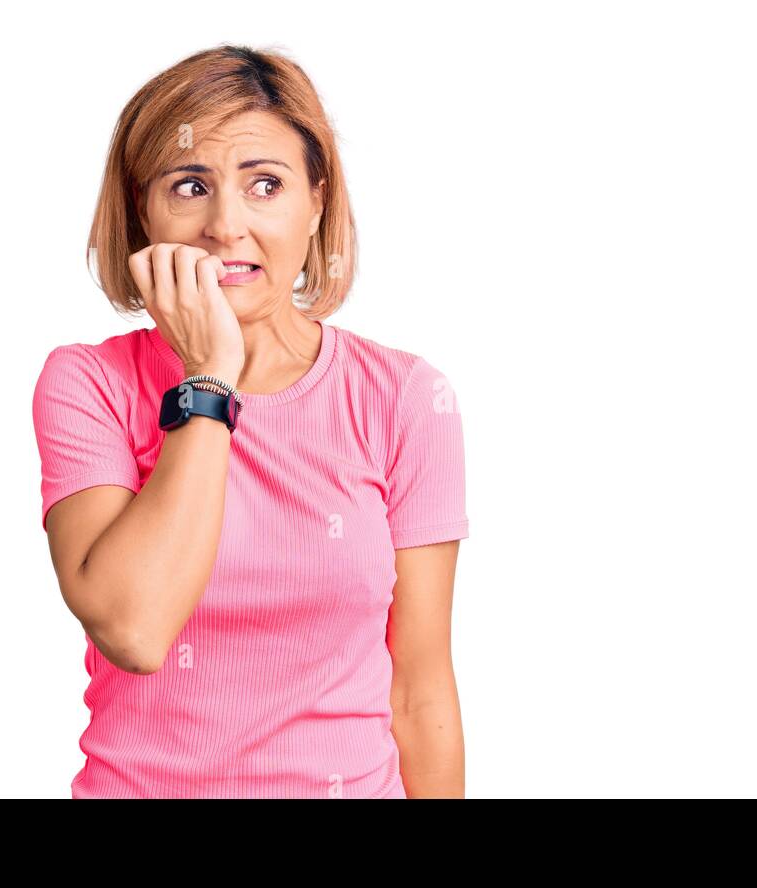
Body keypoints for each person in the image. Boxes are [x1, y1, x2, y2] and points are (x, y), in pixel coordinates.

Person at [31, 44, 469, 798]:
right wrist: (210, 379)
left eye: (265, 184)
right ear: (144, 210)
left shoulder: (404, 398)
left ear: (316, 202)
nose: (225, 226)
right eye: (190, 185)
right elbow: (135, 629)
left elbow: (419, 692)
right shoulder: (89, 384)